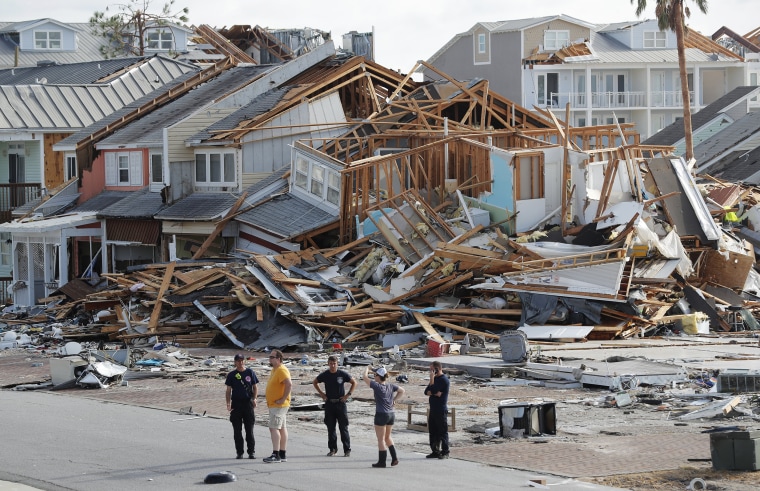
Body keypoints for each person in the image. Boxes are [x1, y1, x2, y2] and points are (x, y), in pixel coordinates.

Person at [313, 355, 357, 457]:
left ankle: (347, 450)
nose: (332, 365)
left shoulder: (342, 374)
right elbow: (315, 382)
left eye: (334, 363)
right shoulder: (325, 374)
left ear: (337, 364)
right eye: (331, 363)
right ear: (328, 364)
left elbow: (354, 382)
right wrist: (322, 394)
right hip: (329, 404)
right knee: (331, 428)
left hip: (340, 404)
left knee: (343, 428)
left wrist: (348, 395)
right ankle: (332, 449)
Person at [362, 365, 405, 468]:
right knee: (388, 437)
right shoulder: (390, 386)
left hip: (381, 414)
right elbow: (402, 390)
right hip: (391, 414)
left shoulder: (377, 386)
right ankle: (394, 458)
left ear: (378, 376)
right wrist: (394, 400)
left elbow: (364, 377)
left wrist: (367, 369)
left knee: (381, 439)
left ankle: (382, 461)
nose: (374, 377)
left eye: (375, 375)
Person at [225, 353, 259, 459]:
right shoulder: (231, 375)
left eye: (242, 360)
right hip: (236, 404)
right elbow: (228, 390)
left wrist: (254, 398)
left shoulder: (250, 372)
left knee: (249, 429)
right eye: (238, 361)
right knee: (237, 430)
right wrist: (228, 403)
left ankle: (251, 452)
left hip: (247, 403)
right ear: (235, 362)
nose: (240, 362)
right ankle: (239, 452)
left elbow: (255, 387)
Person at [263, 349, 291, 463]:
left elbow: (289, 384)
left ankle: (276, 454)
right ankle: (282, 453)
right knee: (282, 428)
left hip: (278, 405)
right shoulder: (274, 370)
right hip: (275, 404)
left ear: (278, 359)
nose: (270, 359)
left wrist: (283, 399)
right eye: (269, 357)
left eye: (272, 357)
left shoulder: (281, 370)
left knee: (273, 427)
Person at [424, 360, 450, 459]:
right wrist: (434, 392)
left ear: (436, 369)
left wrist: (432, 381)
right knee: (433, 431)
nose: (430, 372)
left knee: (442, 431)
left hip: (440, 409)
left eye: (431, 370)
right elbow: (426, 391)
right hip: (433, 409)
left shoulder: (443, 380)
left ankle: (445, 451)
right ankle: (435, 451)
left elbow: (433, 390)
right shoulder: (434, 379)